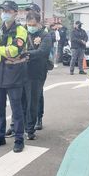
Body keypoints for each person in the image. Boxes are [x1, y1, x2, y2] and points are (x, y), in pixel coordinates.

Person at [0, 0, 28, 153]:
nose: (5, 13)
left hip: (15, 76)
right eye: (3, 10)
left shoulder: (21, 31)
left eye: (8, 11)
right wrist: (2, 57)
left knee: (17, 110)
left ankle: (19, 139)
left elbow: (15, 51)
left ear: (16, 13)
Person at [23, 11, 51, 140]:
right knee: (21, 100)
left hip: (37, 73)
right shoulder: (23, 33)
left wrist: (26, 54)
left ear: (39, 23)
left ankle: (30, 129)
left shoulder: (45, 35)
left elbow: (43, 51)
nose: (31, 26)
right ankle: (18, 126)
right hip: (22, 71)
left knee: (33, 101)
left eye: (33, 24)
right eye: (29, 24)